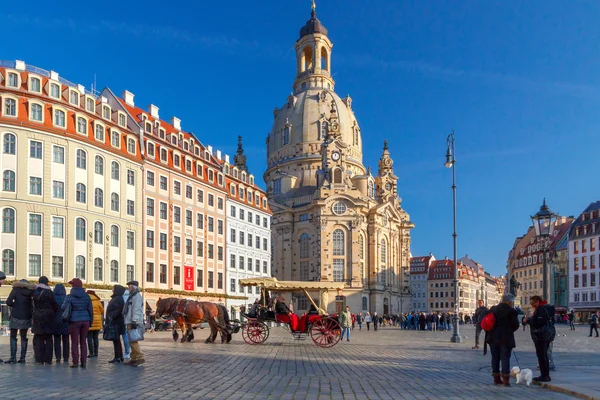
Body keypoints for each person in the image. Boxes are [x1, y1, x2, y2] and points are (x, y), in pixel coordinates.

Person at [484, 293, 519, 386]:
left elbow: (487, 320)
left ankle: (496, 379)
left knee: (495, 357)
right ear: (510, 302)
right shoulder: (512, 311)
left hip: (492, 337)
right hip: (506, 338)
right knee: (505, 358)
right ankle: (506, 380)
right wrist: (509, 330)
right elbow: (515, 325)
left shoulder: (493, 309)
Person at [524, 295, 555, 383]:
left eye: (532, 303)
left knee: (541, 355)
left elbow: (538, 323)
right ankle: (545, 375)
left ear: (537, 302)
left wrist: (528, 321)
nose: (532, 305)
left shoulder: (541, 310)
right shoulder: (546, 309)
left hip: (540, 335)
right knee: (544, 355)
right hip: (547, 334)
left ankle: (545, 376)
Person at [63, 278, 93, 369]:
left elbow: (63, 307)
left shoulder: (69, 296)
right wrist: (90, 321)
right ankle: (83, 362)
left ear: (73, 286)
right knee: (83, 342)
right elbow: (90, 310)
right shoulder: (87, 296)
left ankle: (75, 362)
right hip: (86, 320)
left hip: (74, 320)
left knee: (74, 342)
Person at [5, 279, 34, 363]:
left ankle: (13, 357)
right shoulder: (30, 292)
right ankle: (22, 358)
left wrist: (15, 305)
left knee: (13, 336)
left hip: (15, 316)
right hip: (26, 316)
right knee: (23, 336)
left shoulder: (15, 289)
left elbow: (8, 302)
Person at [31, 276, 58, 365]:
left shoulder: (35, 291)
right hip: (48, 316)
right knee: (49, 338)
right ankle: (48, 359)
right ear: (46, 282)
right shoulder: (49, 292)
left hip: (38, 315)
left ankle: (39, 359)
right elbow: (54, 304)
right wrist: (53, 312)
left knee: (39, 338)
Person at [123, 280, 145, 366]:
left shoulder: (137, 296)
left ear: (133, 287)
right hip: (129, 321)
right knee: (131, 340)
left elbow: (136, 309)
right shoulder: (132, 296)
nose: (128, 288)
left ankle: (140, 357)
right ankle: (134, 358)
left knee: (133, 340)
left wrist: (134, 321)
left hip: (133, 321)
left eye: (129, 286)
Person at [106, 285, 126, 363]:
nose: (112, 290)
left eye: (113, 289)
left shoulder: (117, 298)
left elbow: (118, 310)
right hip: (117, 322)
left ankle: (118, 357)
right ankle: (119, 356)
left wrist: (111, 316)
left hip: (116, 322)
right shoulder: (118, 298)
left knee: (116, 340)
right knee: (116, 340)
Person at [53, 284, 70, 364]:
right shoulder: (67, 298)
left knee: (57, 340)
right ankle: (66, 357)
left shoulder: (53, 298)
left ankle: (58, 357)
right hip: (65, 321)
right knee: (66, 340)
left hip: (56, 321)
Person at [87, 290, 104, 358]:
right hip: (97, 322)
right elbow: (102, 311)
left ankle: (91, 353)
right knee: (95, 338)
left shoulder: (87, 300)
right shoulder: (98, 301)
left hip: (90, 321)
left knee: (89, 338)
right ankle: (96, 352)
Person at [122, 289, 131, 360]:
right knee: (130, 336)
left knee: (125, 335)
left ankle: (127, 352)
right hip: (131, 319)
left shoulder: (122, 297)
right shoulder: (132, 296)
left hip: (125, 319)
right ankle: (129, 352)